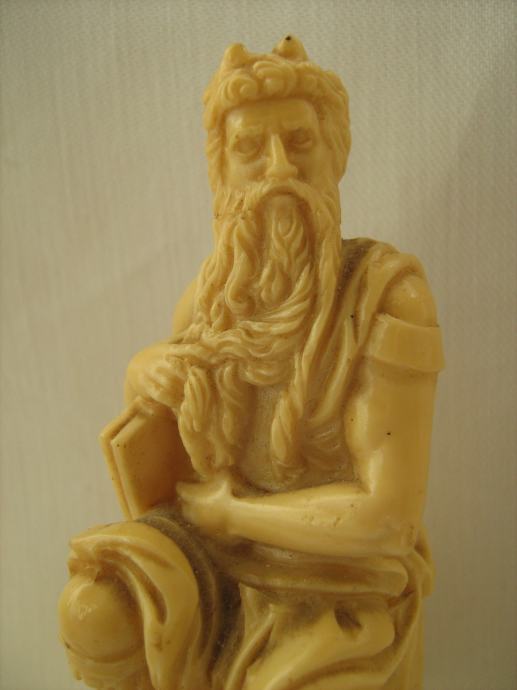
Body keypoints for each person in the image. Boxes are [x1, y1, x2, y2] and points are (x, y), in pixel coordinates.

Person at [59, 36, 444, 690]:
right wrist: (142, 371)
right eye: (249, 149)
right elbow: (170, 448)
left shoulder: (387, 296)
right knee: (93, 609)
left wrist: (235, 514)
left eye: (299, 142)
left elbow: (388, 518)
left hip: (337, 583)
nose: (277, 168)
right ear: (222, 173)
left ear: (335, 154)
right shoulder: (210, 297)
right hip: (213, 555)